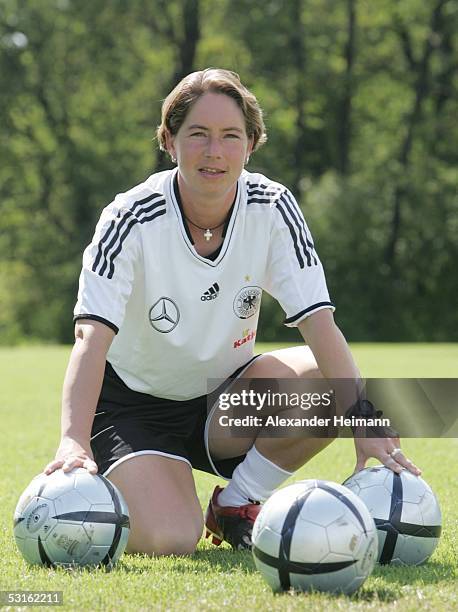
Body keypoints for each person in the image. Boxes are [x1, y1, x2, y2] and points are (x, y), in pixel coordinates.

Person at [44, 68, 421, 555]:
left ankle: (237, 504)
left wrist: (365, 423)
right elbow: (90, 339)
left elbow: (318, 322)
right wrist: (73, 440)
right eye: (197, 134)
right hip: (131, 406)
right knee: (170, 539)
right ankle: (144, 478)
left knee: (329, 384)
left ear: (251, 144)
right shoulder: (129, 218)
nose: (214, 151)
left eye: (230, 136)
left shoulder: (273, 207)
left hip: (221, 403)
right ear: (169, 139)